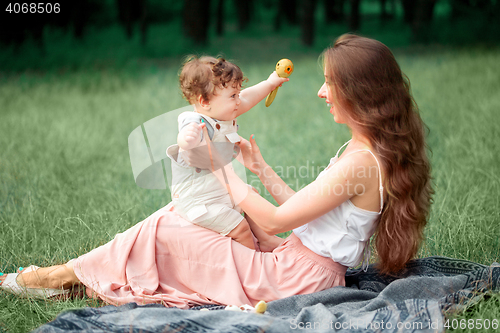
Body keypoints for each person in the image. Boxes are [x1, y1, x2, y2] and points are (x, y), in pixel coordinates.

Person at [0, 34, 433, 310]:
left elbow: (280, 221)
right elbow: (301, 212)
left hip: (295, 279)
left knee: (169, 228)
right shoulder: (361, 151)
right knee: (175, 217)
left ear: (360, 92)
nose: (321, 92)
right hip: (295, 263)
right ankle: (70, 278)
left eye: (329, 83)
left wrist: (220, 170)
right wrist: (258, 167)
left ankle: (57, 277)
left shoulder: (361, 161)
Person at [167, 56, 287, 250]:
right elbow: (183, 138)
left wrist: (270, 83)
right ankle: (251, 260)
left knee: (252, 196)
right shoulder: (195, 121)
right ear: (204, 101)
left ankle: (266, 240)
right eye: (233, 96)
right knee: (240, 228)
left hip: (220, 191)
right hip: (199, 202)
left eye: (237, 94)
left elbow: (248, 98)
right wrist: (186, 139)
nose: (239, 101)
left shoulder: (221, 113)